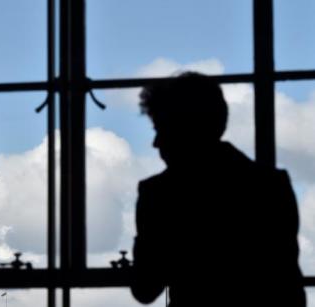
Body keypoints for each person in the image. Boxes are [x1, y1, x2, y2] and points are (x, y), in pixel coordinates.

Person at [130, 72, 306, 307]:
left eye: (161, 129)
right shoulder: (272, 186)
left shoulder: (158, 194)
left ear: (182, 131)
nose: (156, 142)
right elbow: (289, 289)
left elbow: (145, 289)